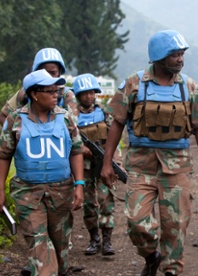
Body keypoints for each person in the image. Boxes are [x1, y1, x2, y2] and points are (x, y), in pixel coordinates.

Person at [100, 30, 198, 276]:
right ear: (159, 56)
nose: (180, 59)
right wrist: (107, 162)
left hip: (177, 169)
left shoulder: (190, 87)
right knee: (136, 222)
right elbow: (117, 122)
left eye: (182, 54)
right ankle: (152, 255)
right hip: (141, 167)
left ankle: (171, 270)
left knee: (176, 225)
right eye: (174, 55)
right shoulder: (134, 83)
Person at [0, 69, 85, 275]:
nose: (56, 95)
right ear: (34, 94)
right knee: (40, 246)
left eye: (57, 91)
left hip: (61, 193)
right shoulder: (14, 121)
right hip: (28, 194)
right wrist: (0, 191)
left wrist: (79, 184)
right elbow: (4, 155)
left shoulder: (66, 119)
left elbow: (77, 151)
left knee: (61, 248)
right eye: (50, 91)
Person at [72, 73, 123, 256]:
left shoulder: (104, 113)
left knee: (106, 200)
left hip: (103, 163)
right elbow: (67, 139)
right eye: (84, 93)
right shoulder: (72, 116)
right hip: (83, 166)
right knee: (88, 203)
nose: (88, 96)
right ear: (78, 95)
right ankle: (94, 239)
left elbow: (114, 139)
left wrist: (116, 162)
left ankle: (107, 241)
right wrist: (80, 149)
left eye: (91, 92)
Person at [0, 47, 78, 125]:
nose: (49, 77)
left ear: (59, 73)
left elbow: (73, 126)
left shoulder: (67, 95)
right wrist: (18, 134)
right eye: (45, 73)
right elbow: (3, 116)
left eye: (53, 73)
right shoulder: (25, 93)